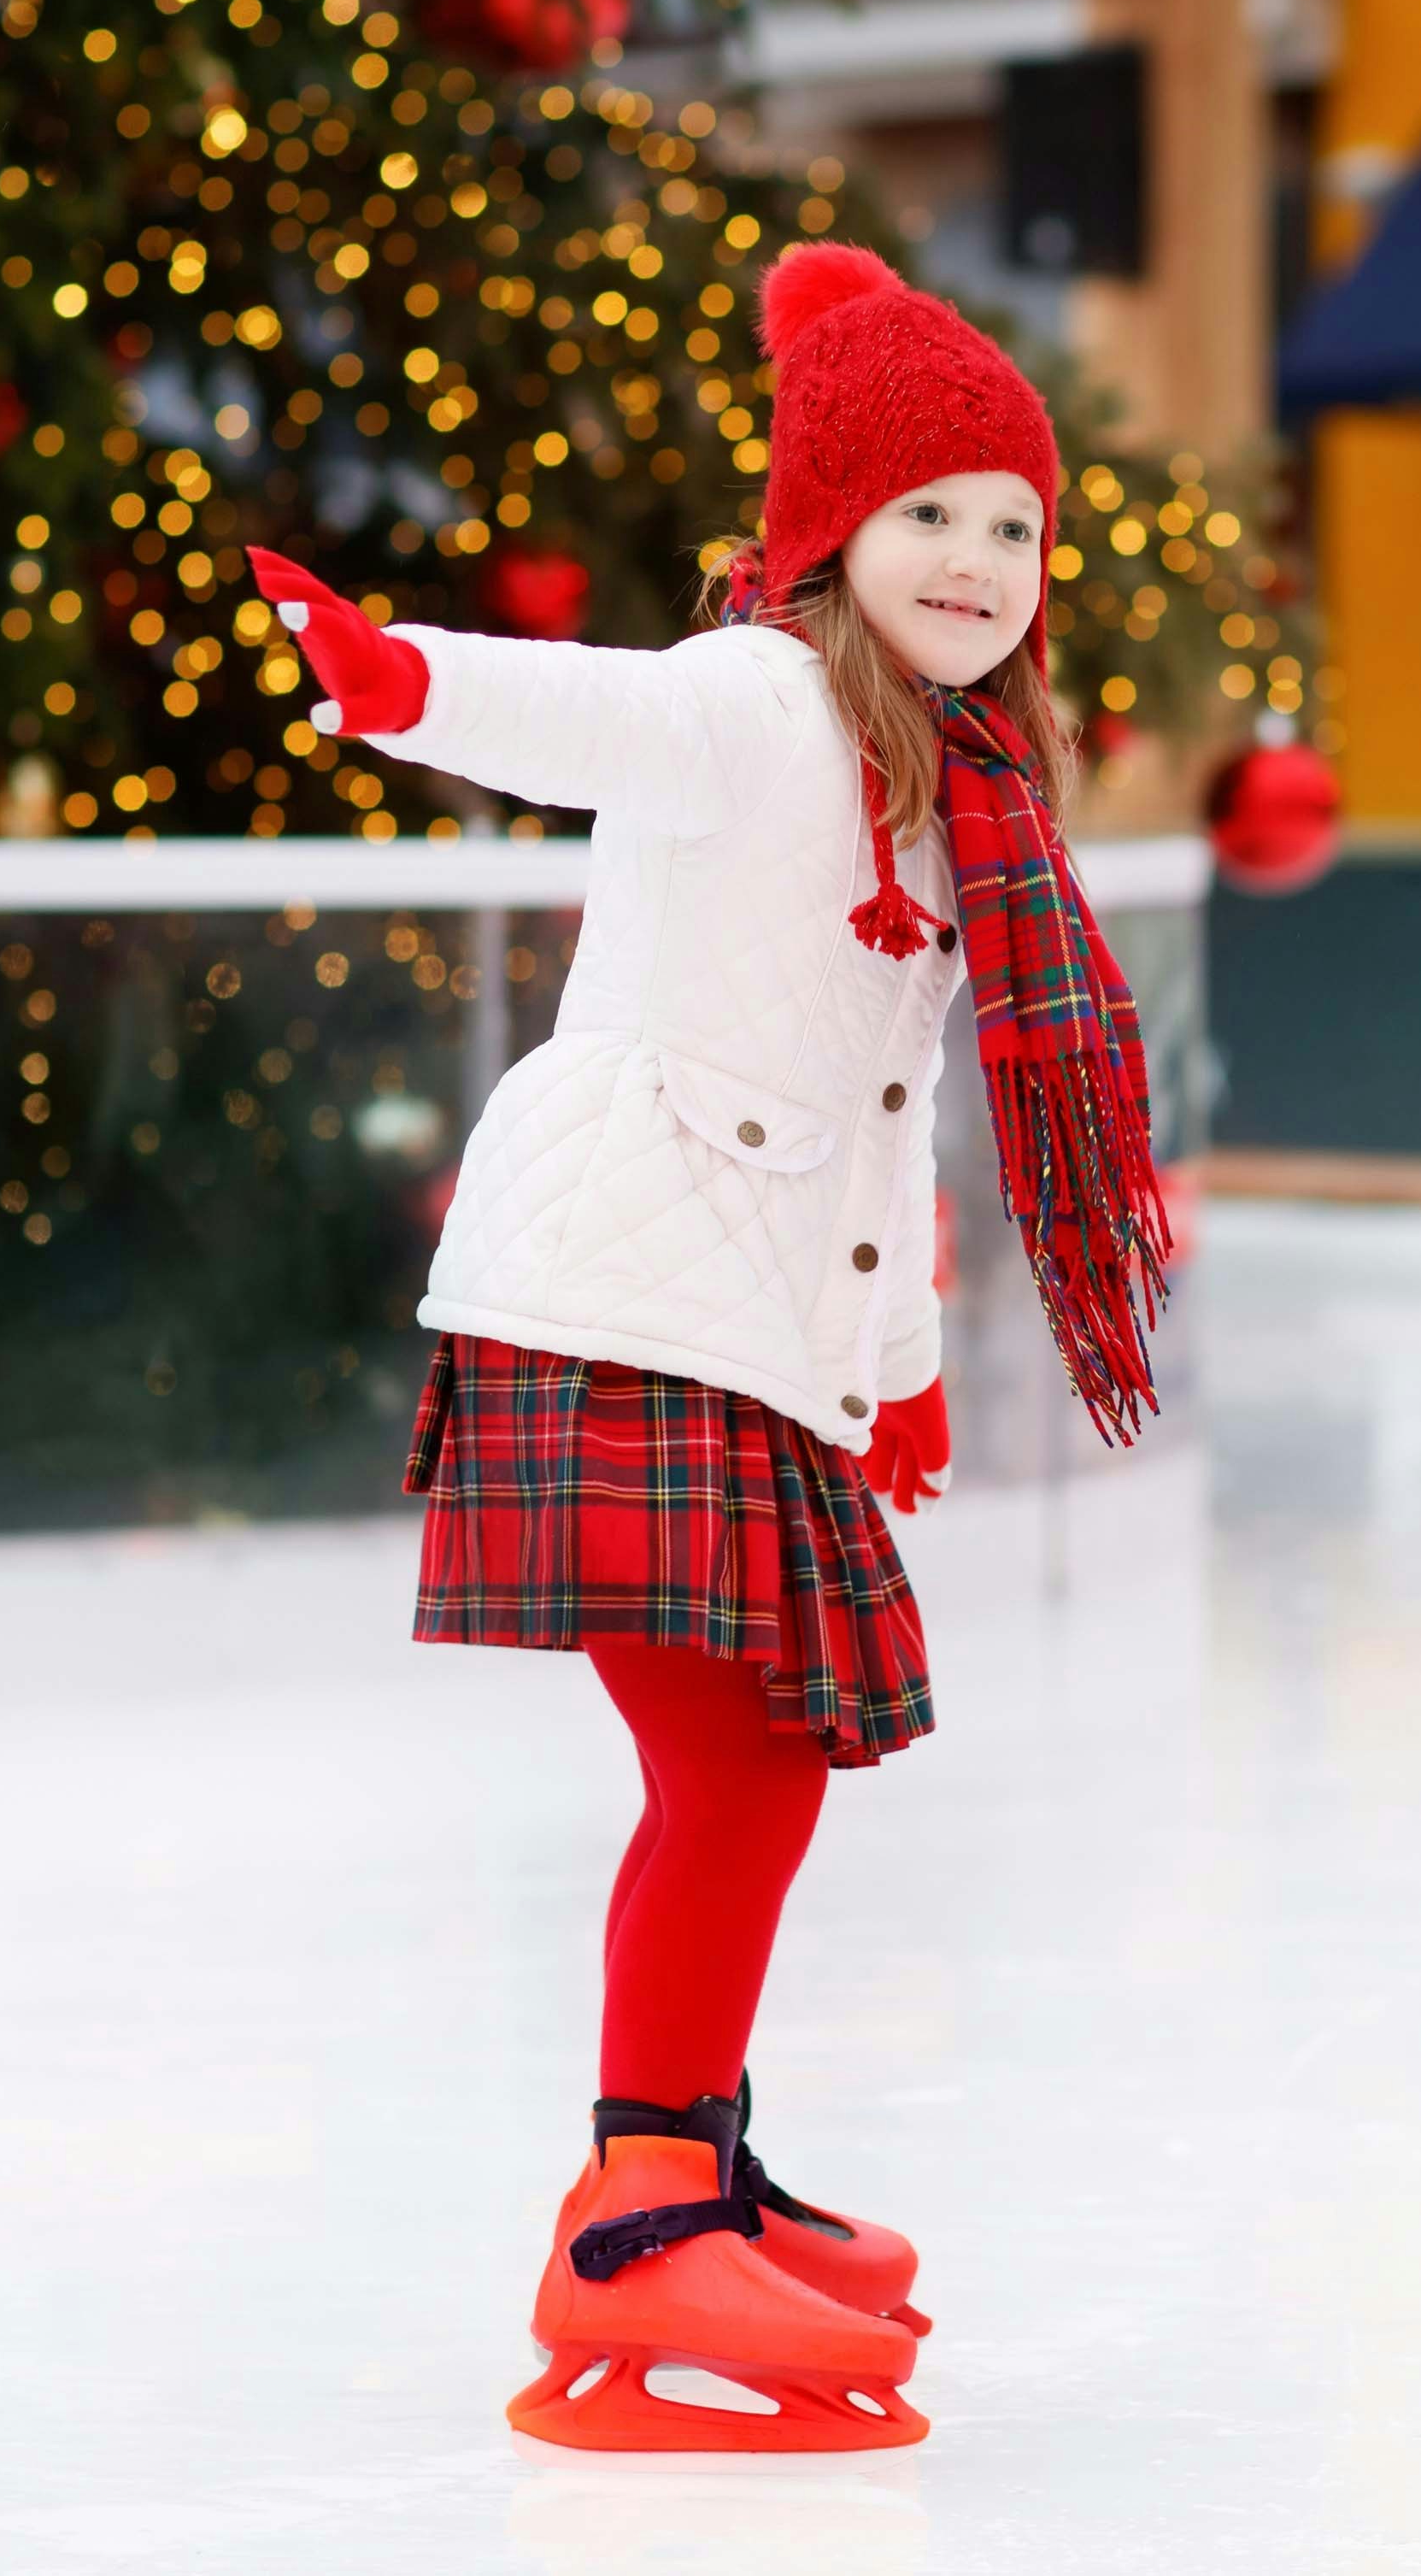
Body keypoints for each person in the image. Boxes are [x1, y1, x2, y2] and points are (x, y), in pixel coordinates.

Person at [244, 243, 1171, 2454]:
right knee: (742, 1762)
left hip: (729, 1326)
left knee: (756, 1762)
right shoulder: (763, 701)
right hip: (613, 1306)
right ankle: (643, 2219)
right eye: (928, 513)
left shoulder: (967, 794)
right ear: (831, 535)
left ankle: (688, 2167)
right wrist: (394, 684)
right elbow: (589, 714)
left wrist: (902, 1359)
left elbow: (874, 1118)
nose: (973, 559)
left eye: (1013, 524)